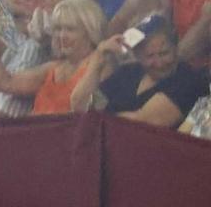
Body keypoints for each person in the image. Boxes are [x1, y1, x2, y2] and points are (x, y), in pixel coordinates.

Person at [70, 15, 209, 130]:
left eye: (164, 53)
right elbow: (80, 105)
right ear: (137, 55)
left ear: (175, 46)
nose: (159, 63)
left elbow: (142, 122)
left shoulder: (187, 79)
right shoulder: (128, 73)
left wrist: (95, 118)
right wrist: (98, 59)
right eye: (150, 56)